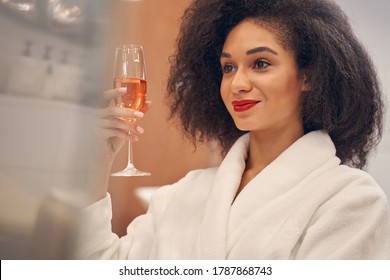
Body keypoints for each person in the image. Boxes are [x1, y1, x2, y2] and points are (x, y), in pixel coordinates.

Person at [77, 0, 390, 259]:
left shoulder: (351, 200)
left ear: (308, 76)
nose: (237, 84)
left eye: (261, 64)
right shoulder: (182, 193)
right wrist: (98, 162)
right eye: (228, 68)